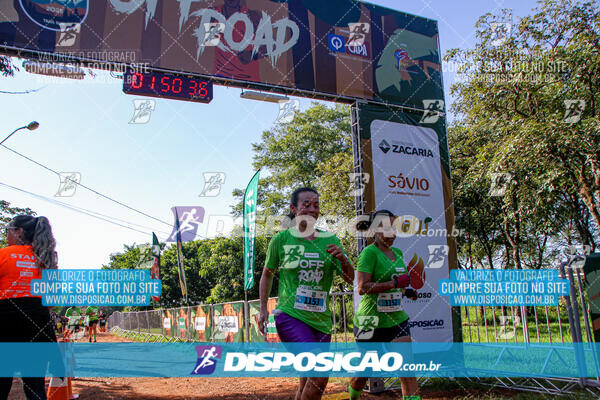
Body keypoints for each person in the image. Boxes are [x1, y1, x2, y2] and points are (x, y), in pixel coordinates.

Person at [258, 187, 354, 400]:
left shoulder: (330, 240)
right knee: (319, 373)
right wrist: (263, 309)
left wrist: (344, 260)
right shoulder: (282, 239)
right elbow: (267, 274)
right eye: (306, 205)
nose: (312, 209)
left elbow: (351, 279)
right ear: (294, 209)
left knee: (308, 379)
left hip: (320, 320)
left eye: (316, 205)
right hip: (291, 315)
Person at [349, 210, 419, 399]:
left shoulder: (397, 252)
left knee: (407, 370)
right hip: (369, 321)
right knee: (365, 372)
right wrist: (393, 284)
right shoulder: (368, 254)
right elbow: (362, 288)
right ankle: (353, 396)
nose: (392, 233)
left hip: (397, 319)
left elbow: (398, 283)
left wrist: (406, 291)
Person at [0, 215, 59, 400]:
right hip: (38, 324)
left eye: (8, 229)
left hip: (6, 323)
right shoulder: (45, 260)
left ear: (19, 232)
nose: (6, 233)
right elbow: (50, 302)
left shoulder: (4, 255)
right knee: (35, 387)